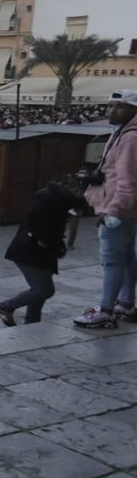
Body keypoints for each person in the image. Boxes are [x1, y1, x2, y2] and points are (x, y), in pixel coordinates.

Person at [75, 91, 137, 328]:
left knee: (111, 260)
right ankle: (127, 303)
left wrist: (113, 210)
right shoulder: (123, 132)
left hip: (118, 209)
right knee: (128, 257)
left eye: (119, 106)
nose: (111, 111)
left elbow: (128, 181)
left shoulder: (130, 137)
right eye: (109, 106)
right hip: (127, 208)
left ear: (134, 110)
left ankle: (107, 310)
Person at [0, 176, 87, 325]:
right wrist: (45, 242)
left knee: (39, 289)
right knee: (45, 290)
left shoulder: (61, 200)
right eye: (84, 194)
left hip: (42, 251)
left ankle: (32, 321)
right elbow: (35, 224)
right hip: (30, 250)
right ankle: (5, 307)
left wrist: (57, 245)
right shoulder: (50, 200)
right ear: (75, 190)